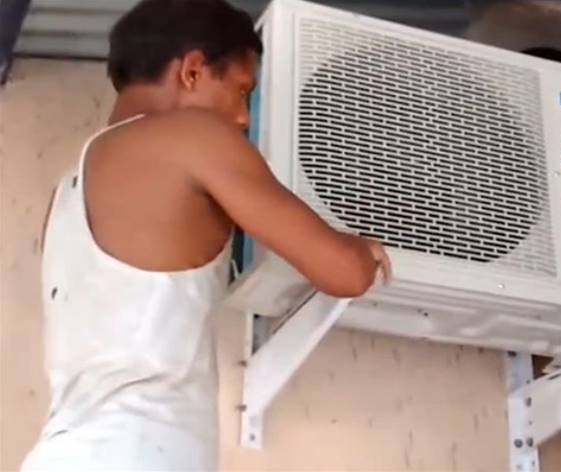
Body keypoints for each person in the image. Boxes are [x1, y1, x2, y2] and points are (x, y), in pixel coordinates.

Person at [22, 0, 391, 470]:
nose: (243, 118)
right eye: (241, 90)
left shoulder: (67, 193)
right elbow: (346, 273)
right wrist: (360, 248)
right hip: (135, 453)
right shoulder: (193, 135)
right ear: (193, 71)